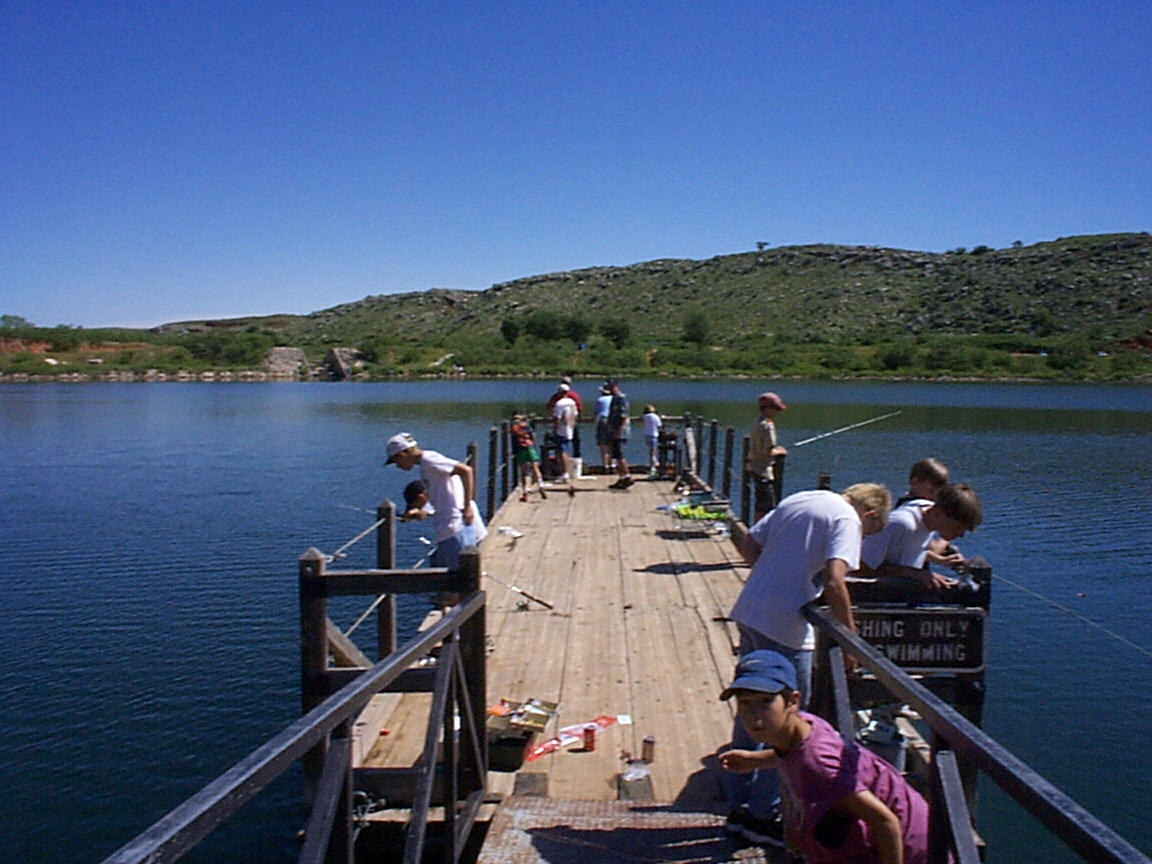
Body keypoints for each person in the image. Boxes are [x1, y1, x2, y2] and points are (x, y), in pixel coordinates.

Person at [724, 483, 891, 845]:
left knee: (750, 710)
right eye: (870, 532)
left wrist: (775, 576)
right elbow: (835, 580)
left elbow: (749, 543)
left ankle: (737, 807)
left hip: (751, 609)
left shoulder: (804, 497)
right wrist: (851, 642)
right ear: (871, 514)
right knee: (787, 726)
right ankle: (762, 816)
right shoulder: (847, 518)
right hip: (786, 628)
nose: (863, 537)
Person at [719, 650, 932, 863]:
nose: (754, 714)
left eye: (766, 701)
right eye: (745, 703)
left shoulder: (819, 766)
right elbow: (795, 755)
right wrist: (756, 760)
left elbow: (886, 822)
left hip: (909, 851)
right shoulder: (804, 724)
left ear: (792, 701)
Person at [385, 432, 485, 570]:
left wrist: (467, 507)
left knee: (461, 579)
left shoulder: (429, 460)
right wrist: (420, 513)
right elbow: (441, 497)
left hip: (455, 527)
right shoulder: (426, 466)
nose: (398, 466)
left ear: (403, 454)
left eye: (396, 461)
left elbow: (466, 470)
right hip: (447, 529)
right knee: (444, 576)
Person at [856, 483, 982, 590]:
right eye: (958, 528)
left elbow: (902, 549)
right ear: (938, 514)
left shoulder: (927, 512)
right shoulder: (901, 524)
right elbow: (858, 568)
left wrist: (940, 560)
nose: (961, 535)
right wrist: (912, 573)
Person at [747, 392, 789, 521]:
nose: (777, 412)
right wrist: (780, 452)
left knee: (760, 504)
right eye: (775, 408)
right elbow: (767, 451)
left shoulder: (758, 421)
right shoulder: (767, 426)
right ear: (767, 408)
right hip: (763, 470)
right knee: (768, 505)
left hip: (754, 466)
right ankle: (762, 534)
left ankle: (757, 531)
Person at [509, 414, 547, 502]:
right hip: (530, 447)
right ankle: (541, 485)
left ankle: (525, 492)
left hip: (520, 450)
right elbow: (533, 436)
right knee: (535, 468)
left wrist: (514, 452)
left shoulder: (514, 427)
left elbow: (514, 440)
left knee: (524, 472)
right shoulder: (527, 426)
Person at [547, 375, 583, 459]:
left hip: (561, 422)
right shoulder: (574, 396)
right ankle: (575, 457)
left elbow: (550, 407)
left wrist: (553, 415)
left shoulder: (557, 397)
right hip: (572, 421)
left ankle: (563, 460)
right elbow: (580, 408)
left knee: (562, 443)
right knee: (574, 441)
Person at [606, 379, 633, 488]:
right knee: (615, 454)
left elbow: (623, 416)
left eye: (611, 387)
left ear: (616, 386)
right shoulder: (614, 399)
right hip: (614, 430)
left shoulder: (621, 399)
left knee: (619, 454)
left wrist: (619, 431)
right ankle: (621, 478)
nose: (610, 389)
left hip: (619, 431)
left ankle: (627, 476)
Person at [551, 384, 578, 483]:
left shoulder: (559, 404)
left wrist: (555, 429)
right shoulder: (572, 402)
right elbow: (575, 416)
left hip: (561, 431)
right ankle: (565, 473)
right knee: (566, 451)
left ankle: (565, 474)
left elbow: (557, 418)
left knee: (562, 453)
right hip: (570, 430)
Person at [594, 384, 614, 471]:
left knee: (603, 444)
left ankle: (605, 466)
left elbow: (596, 412)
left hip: (602, 421)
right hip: (612, 421)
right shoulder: (614, 399)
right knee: (611, 444)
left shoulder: (600, 400)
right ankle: (612, 465)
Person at [642, 404, 662, 475]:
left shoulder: (644, 417)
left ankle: (653, 464)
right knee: (653, 451)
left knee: (651, 451)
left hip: (646, 435)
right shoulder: (656, 417)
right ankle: (653, 466)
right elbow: (659, 426)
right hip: (654, 435)